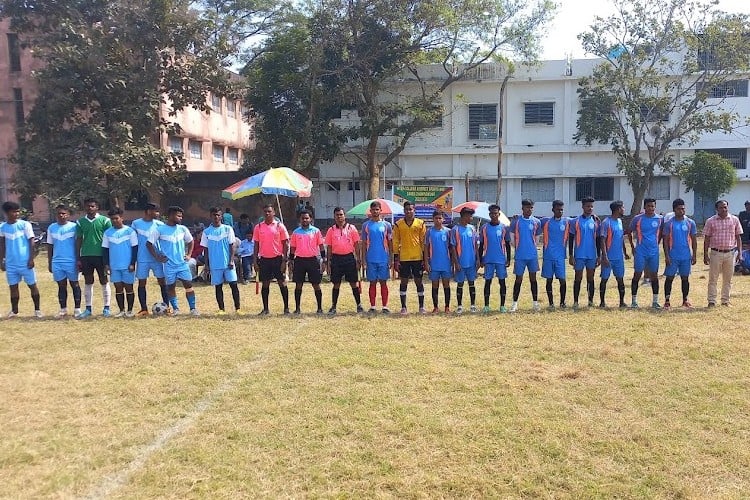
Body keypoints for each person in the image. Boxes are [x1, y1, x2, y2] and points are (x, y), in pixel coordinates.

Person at [146, 206, 199, 316]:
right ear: (171, 215)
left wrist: (189, 255)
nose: (181, 218)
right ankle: (176, 309)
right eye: (178, 216)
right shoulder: (159, 230)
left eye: (181, 216)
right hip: (169, 265)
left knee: (188, 284)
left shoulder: (183, 229)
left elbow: (191, 241)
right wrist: (157, 257)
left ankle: (193, 309)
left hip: (182, 263)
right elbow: (149, 244)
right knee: (170, 287)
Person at [0, 201, 42, 318]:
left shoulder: (25, 225)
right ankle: (14, 311)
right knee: (13, 287)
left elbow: (31, 241)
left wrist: (31, 258)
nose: (17, 213)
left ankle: (37, 310)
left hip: (25, 262)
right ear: (7, 213)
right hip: (11, 263)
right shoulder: (2, 227)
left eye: (18, 211)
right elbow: (2, 245)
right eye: (14, 211)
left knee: (32, 285)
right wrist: (2, 261)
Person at [201, 207, 242, 315]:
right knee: (218, 286)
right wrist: (207, 265)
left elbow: (232, 245)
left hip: (228, 263)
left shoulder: (228, 229)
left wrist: (231, 260)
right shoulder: (206, 232)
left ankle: (238, 308)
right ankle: (221, 309)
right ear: (210, 216)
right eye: (214, 215)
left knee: (233, 285)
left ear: (221, 216)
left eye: (218, 215)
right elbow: (205, 249)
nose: (216, 217)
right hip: (215, 264)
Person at [76, 198, 112, 318]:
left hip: (101, 255)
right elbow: (79, 239)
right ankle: (88, 309)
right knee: (88, 281)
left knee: (103, 280)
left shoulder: (105, 220)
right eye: (87, 206)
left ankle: (106, 307)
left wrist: (109, 257)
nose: (90, 208)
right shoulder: (80, 222)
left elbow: (109, 239)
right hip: (86, 255)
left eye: (92, 206)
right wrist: (78, 257)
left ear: (97, 207)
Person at [131, 202, 170, 316]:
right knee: (142, 282)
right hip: (142, 258)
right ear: (148, 211)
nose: (158, 213)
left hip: (157, 258)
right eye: (156, 211)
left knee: (162, 281)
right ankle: (144, 309)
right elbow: (133, 241)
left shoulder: (159, 224)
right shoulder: (136, 223)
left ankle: (166, 307)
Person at [703, 199, 743, 307]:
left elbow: (738, 237)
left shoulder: (734, 219)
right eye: (721, 207)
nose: (724, 209)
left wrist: (740, 253)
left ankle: (725, 300)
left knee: (728, 279)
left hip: (730, 253)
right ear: (717, 209)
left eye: (725, 207)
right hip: (716, 253)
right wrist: (705, 254)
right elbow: (706, 238)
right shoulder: (710, 221)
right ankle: (711, 301)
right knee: (713, 278)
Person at [324, 207, 364, 315]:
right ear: (334, 216)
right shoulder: (331, 230)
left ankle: (359, 305)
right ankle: (333, 306)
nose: (339, 217)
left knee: (353, 283)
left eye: (341, 214)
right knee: (336, 284)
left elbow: (356, 245)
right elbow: (329, 247)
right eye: (337, 215)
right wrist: (328, 262)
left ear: (344, 215)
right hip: (336, 259)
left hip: (349, 258)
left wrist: (358, 259)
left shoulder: (352, 228)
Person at [253, 204, 291, 315]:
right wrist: (255, 261)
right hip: (264, 260)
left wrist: (284, 260)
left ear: (274, 212)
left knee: (282, 283)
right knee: (265, 284)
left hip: (278, 259)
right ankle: (265, 309)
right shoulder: (258, 227)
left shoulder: (280, 226)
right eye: (265, 211)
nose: (267, 213)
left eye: (269, 211)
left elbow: (286, 244)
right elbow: (256, 245)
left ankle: (286, 308)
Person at [46, 204, 82, 318]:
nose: (61, 215)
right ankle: (63, 309)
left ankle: (77, 309)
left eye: (63, 213)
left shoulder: (74, 227)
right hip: (57, 262)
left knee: (74, 284)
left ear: (68, 215)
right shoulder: (52, 228)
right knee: (61, 286)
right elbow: (50, 246)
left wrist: (78, 259)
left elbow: (78, 244)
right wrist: (50, 262)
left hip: (71, 261)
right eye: (59, 213)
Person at [102, 207, 138, 317]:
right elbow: (105, 249)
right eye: (112, 219)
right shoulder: (108, 232)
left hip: (127, 265)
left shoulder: (129, 231)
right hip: (114, 266)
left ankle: (130, 311)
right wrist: (107, 265)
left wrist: (132, 263)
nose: (114, 221)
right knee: (118, 287)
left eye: (116, 218)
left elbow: (135, 248)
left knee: (129, 287)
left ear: (122, 218)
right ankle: (121, 310)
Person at [662, 198, 697, 309]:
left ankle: (685, 300)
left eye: (683, 208)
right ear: (674, 210)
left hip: (686, 256)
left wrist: (694, 255)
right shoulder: (669, 224)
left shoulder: (690, 222)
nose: (681, 211)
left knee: (685, 278)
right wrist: (667, 255)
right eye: (679, 209)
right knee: (669, 278)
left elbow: (694, 240)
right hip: (673, 256)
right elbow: (665, 241)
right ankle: (667, 301)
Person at [393, 201, 427, 314]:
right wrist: (396, 258)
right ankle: (403, 307)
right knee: (404, 282)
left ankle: (421, 307)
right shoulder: (398, 224)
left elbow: (423, 242)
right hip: (404, 257)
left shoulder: (421, 223)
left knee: (418, 281)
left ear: (414, 210)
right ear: (404, 211)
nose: (409, 211)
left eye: (411, 209)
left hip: (417, 257)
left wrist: (424, 258)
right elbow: (396, 241)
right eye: (407, 209)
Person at [628, 198, 663, 309]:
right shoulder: (638, 219)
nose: (651, 208)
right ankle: (633, 301)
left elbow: (661, 233)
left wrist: (656, 243)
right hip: (640, 251)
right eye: (648, 206)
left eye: (652, 206)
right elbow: (628, 231)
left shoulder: (659, 219)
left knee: (654, 276)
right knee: (637, 274)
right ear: (644, 207)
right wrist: (633, 247)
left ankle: (655, 301)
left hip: (653, 252)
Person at [289, 209, 325, 314]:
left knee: (316, 284)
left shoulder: (316, 231)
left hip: (313, 260)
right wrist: (291, 260)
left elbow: (321, 246)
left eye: (307, 218)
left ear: (311, 219)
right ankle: (297, 308)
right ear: (300, 220)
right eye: (303, 218)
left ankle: (319, 308)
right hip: (299, 260)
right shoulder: (296, 232)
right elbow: (292, 248)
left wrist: (324, 259)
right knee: (298, 284)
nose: (305, 220)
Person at [509, 199, 541, 312]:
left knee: (533, 279)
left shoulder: (537, 222)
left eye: (531, 207)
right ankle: (514, 304)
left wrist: (531, 247)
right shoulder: (516, 221)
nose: (529, 209)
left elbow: (537, 239)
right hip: (520, 256)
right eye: (527, 207)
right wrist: (517, 247)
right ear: (522, 208)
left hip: (532, 256)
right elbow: (512, 238)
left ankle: (535, 303)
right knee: (518, 279)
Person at [361, 200, 393, 313]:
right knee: (372, 282)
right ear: (370, 211)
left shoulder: (387, 225)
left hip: (383, 258)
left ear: (381, 210)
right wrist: (364, 260)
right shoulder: (366, 225)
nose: (375, 211)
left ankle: (385, 306)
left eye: (377, 209)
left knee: (383, 282)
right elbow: (364, 244)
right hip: (371, 258)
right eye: (373, 210)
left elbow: (390, 243)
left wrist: (391, 259)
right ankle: (373, 306)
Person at [478, 204, 511, 313]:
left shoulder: (504, 228)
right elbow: (481, 245)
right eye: (491, 213)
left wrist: (509, 259)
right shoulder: (484, 228)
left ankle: (502, 306)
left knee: (502, 282)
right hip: (488, 260)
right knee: (488, 282)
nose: (493, 215)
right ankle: (487, 306)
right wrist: (480, 259)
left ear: (499, 214)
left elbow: (507, 244)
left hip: (501, 260)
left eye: (495, 213)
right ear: (489, 214)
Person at [568, 196, 600, 309]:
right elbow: (571, 238)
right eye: (587, 206)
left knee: (590, 278)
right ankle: (576, 302)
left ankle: (590, 301)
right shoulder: (576, 221)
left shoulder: (596, 221)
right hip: (579, 255)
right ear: (582, 207)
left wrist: (599, 255)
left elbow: (598, 239)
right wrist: (571, 255)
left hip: (592, 255)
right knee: (578, 278)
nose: (590, 208)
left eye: (591, 206)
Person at [598, 201, 629, 308]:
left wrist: (625, 252)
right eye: (623, 207)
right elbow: (602, 240)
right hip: (608, 257)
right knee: (604, 279)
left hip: (618, 257)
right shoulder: (606, 222)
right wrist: (604, 256)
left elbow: (621, 238)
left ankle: (622, 302)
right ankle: (602, 302)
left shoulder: (620, 221)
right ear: (618, 209)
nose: (624, 209)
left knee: (620, 279)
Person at [539, 200, 569, 310]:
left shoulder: (566, 222)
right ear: (553, 210)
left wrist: (593, 216)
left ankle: (562, 302)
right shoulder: (545, 221)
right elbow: (532, 220)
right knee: (549, 280)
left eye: (561, 210)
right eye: (558, 209)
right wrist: (518, 216)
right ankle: (551, 303)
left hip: (560, 257)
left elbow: (578, 219)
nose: (560, 211)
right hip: (548, 256)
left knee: (562, 280)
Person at [450, 206, 479, 313]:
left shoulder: (472, 228)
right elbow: (453, 247)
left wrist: (478, 259)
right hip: (460, 263)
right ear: (465, 216)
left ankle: (472, 305)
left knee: (472, 283)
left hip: (471, 262)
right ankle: (459, 306)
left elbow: (476, 244)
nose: (471, 217)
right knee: (460, 284)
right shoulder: (455, 230)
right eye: (470, 215)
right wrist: (456, 263)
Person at [423, 210, 452, 313]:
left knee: (446, 285)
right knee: (435, 285)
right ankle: (435, 307)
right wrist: (426, 262)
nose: (438, 220)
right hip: (434, 263)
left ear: (443, 219)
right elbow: (426, 248)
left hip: (446, 263)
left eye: (440, 218)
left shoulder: (448, 232)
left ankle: (447, 306)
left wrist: (452, 263)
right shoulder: (429, 232)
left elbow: (451, 248)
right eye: (436, 218)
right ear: (433, 219)